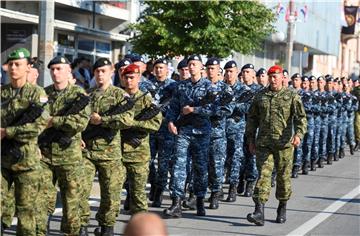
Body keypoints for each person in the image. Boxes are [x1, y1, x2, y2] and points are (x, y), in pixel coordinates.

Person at [246, 65, 307, 226]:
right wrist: (250, 140)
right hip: (264, 144)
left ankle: (282, 206)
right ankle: (259, 211)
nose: (273, 79)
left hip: (284, 144)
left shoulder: (292, 96)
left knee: (283, 178)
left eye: (276, 76)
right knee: (263, 176)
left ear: (282, 78)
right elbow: (252, 119)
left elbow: (301, 118)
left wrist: (299, 135)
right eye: (270, 76)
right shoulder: (260, 96)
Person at [80, 58, 135, 235]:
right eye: (97, 71)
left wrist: (103, 120)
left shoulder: (120, 95)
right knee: (80, 190)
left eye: (104, 71)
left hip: (110, 153)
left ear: (112, 72)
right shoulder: (87, 95)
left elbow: (127, 120)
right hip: (87, 151)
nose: (100, 75)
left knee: (111, 194)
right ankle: (81, 225)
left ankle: (107, 226)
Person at [38, 56, 91, 235]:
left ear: (69, 71)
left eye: (59, 69)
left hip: (69, 157)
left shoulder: (79, 95)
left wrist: (54, 121)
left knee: (71, 201)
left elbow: (80, 122)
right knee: (42, 198)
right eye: (52, 69)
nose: (55, 72)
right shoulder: (43, 94)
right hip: (44, 155)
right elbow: (36, 120)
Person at [1, 48, 50, 235]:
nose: (13, 68)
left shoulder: (38, 94)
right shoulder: (2, 92)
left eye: (18, 64)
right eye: (11, 64)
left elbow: (38, 126)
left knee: (26, 211)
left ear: (28, 67)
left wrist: (8, 132)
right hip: (2, 161)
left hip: (26, 163)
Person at [164, 55, 214, 218]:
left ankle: (199, 200)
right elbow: (173, 106)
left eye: (194, 64)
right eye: (189, 64)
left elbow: (214, 110)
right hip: (184, 131)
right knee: (179, 165)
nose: (191, 67)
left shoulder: (210, 87)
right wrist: (171, 121)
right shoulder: (181, 86)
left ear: (201, 68)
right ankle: (176, 202)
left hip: (201, 133)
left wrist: (194, 110)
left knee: (200, 168)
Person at [121, 64, 162, 214]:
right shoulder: (118, 97)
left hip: (139, 153)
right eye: (126, 77)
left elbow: (155, 124)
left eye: (132, 77)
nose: (129, 81)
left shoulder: (146, 99)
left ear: (138, 78)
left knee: (138, 194)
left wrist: (132, 123)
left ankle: (139, 224)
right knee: (112, 191)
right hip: (116, 152)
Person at [140, 58, 177, 208]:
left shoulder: (174, 86)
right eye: (157, 68)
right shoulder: (145, 84)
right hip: (149, 130)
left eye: (162, 68)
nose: (159, 70)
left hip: (166, 131)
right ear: (153, 70)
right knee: (147, 162)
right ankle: (154, 184)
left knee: (163, 164)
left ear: (167, 70)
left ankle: (159, 192)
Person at [205, 57, 233, 209]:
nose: (210, 71)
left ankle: (215, 193)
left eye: (213, 68)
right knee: (201, 165)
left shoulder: (225, 89)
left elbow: (228, 109)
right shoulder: (201, 86)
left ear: (218, 70)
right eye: (208, 68)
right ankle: (198, 194)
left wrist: (207, 111)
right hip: (199, 132)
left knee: (216, 165)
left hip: (217, 133)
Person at [223, 60, 251, 202]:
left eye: (231, 71)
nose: (229, 74)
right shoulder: (220, 88)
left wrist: (231, 105)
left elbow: (247, 108)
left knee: (235, 158)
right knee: (220, 159)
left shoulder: (244, 90)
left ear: (236, 72)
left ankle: (233, 187)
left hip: (237, 129)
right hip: (220, 128)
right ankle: (218, 187)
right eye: (227, 71)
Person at [241, 63, 261, 197]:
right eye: (244, 72)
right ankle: (239, 180)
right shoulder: (238, 89)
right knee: (238, 156)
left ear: (254, 74)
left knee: (252, 155)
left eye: (248, 72)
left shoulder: (260, 91)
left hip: (254, 128)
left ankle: (250, 182)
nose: (245, 74)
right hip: (238, 127)